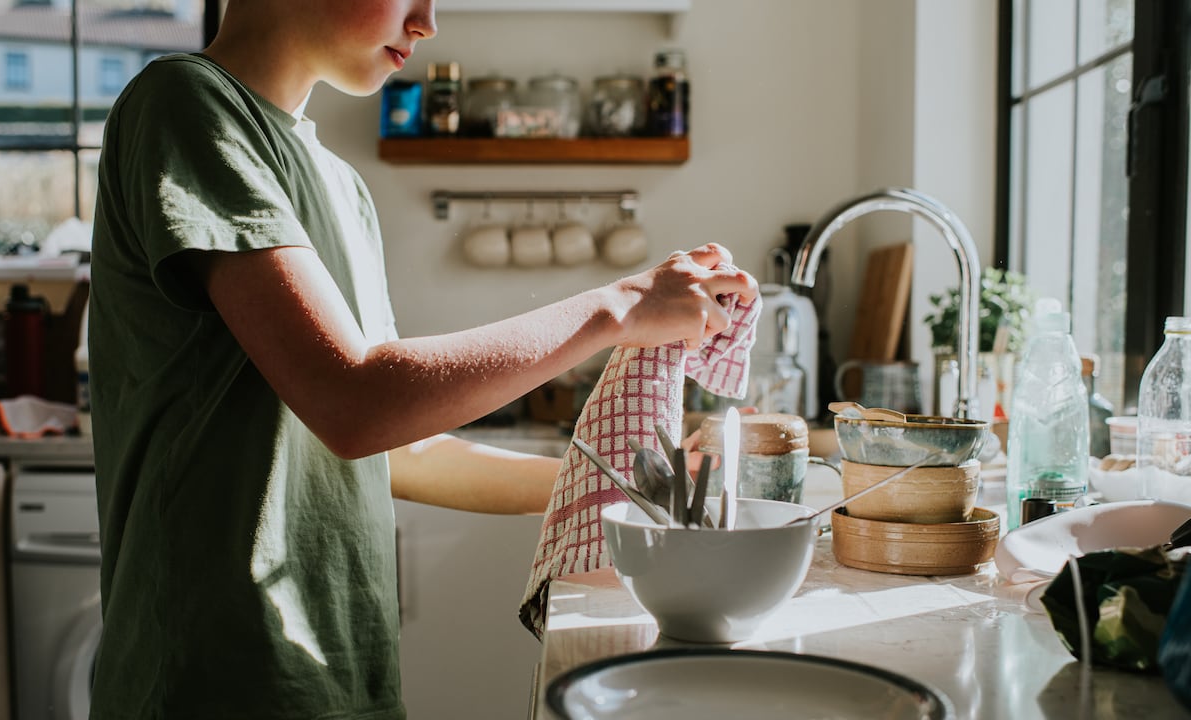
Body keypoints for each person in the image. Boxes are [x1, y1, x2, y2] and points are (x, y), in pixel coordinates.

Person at [87, 0, 757, 717]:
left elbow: (400, 448)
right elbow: (353, 402)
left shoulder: (342, 186)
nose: (427, 22)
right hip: (215, 679)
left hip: (340, 672)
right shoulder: (186, 104)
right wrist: (619, 307)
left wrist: (616, 482)